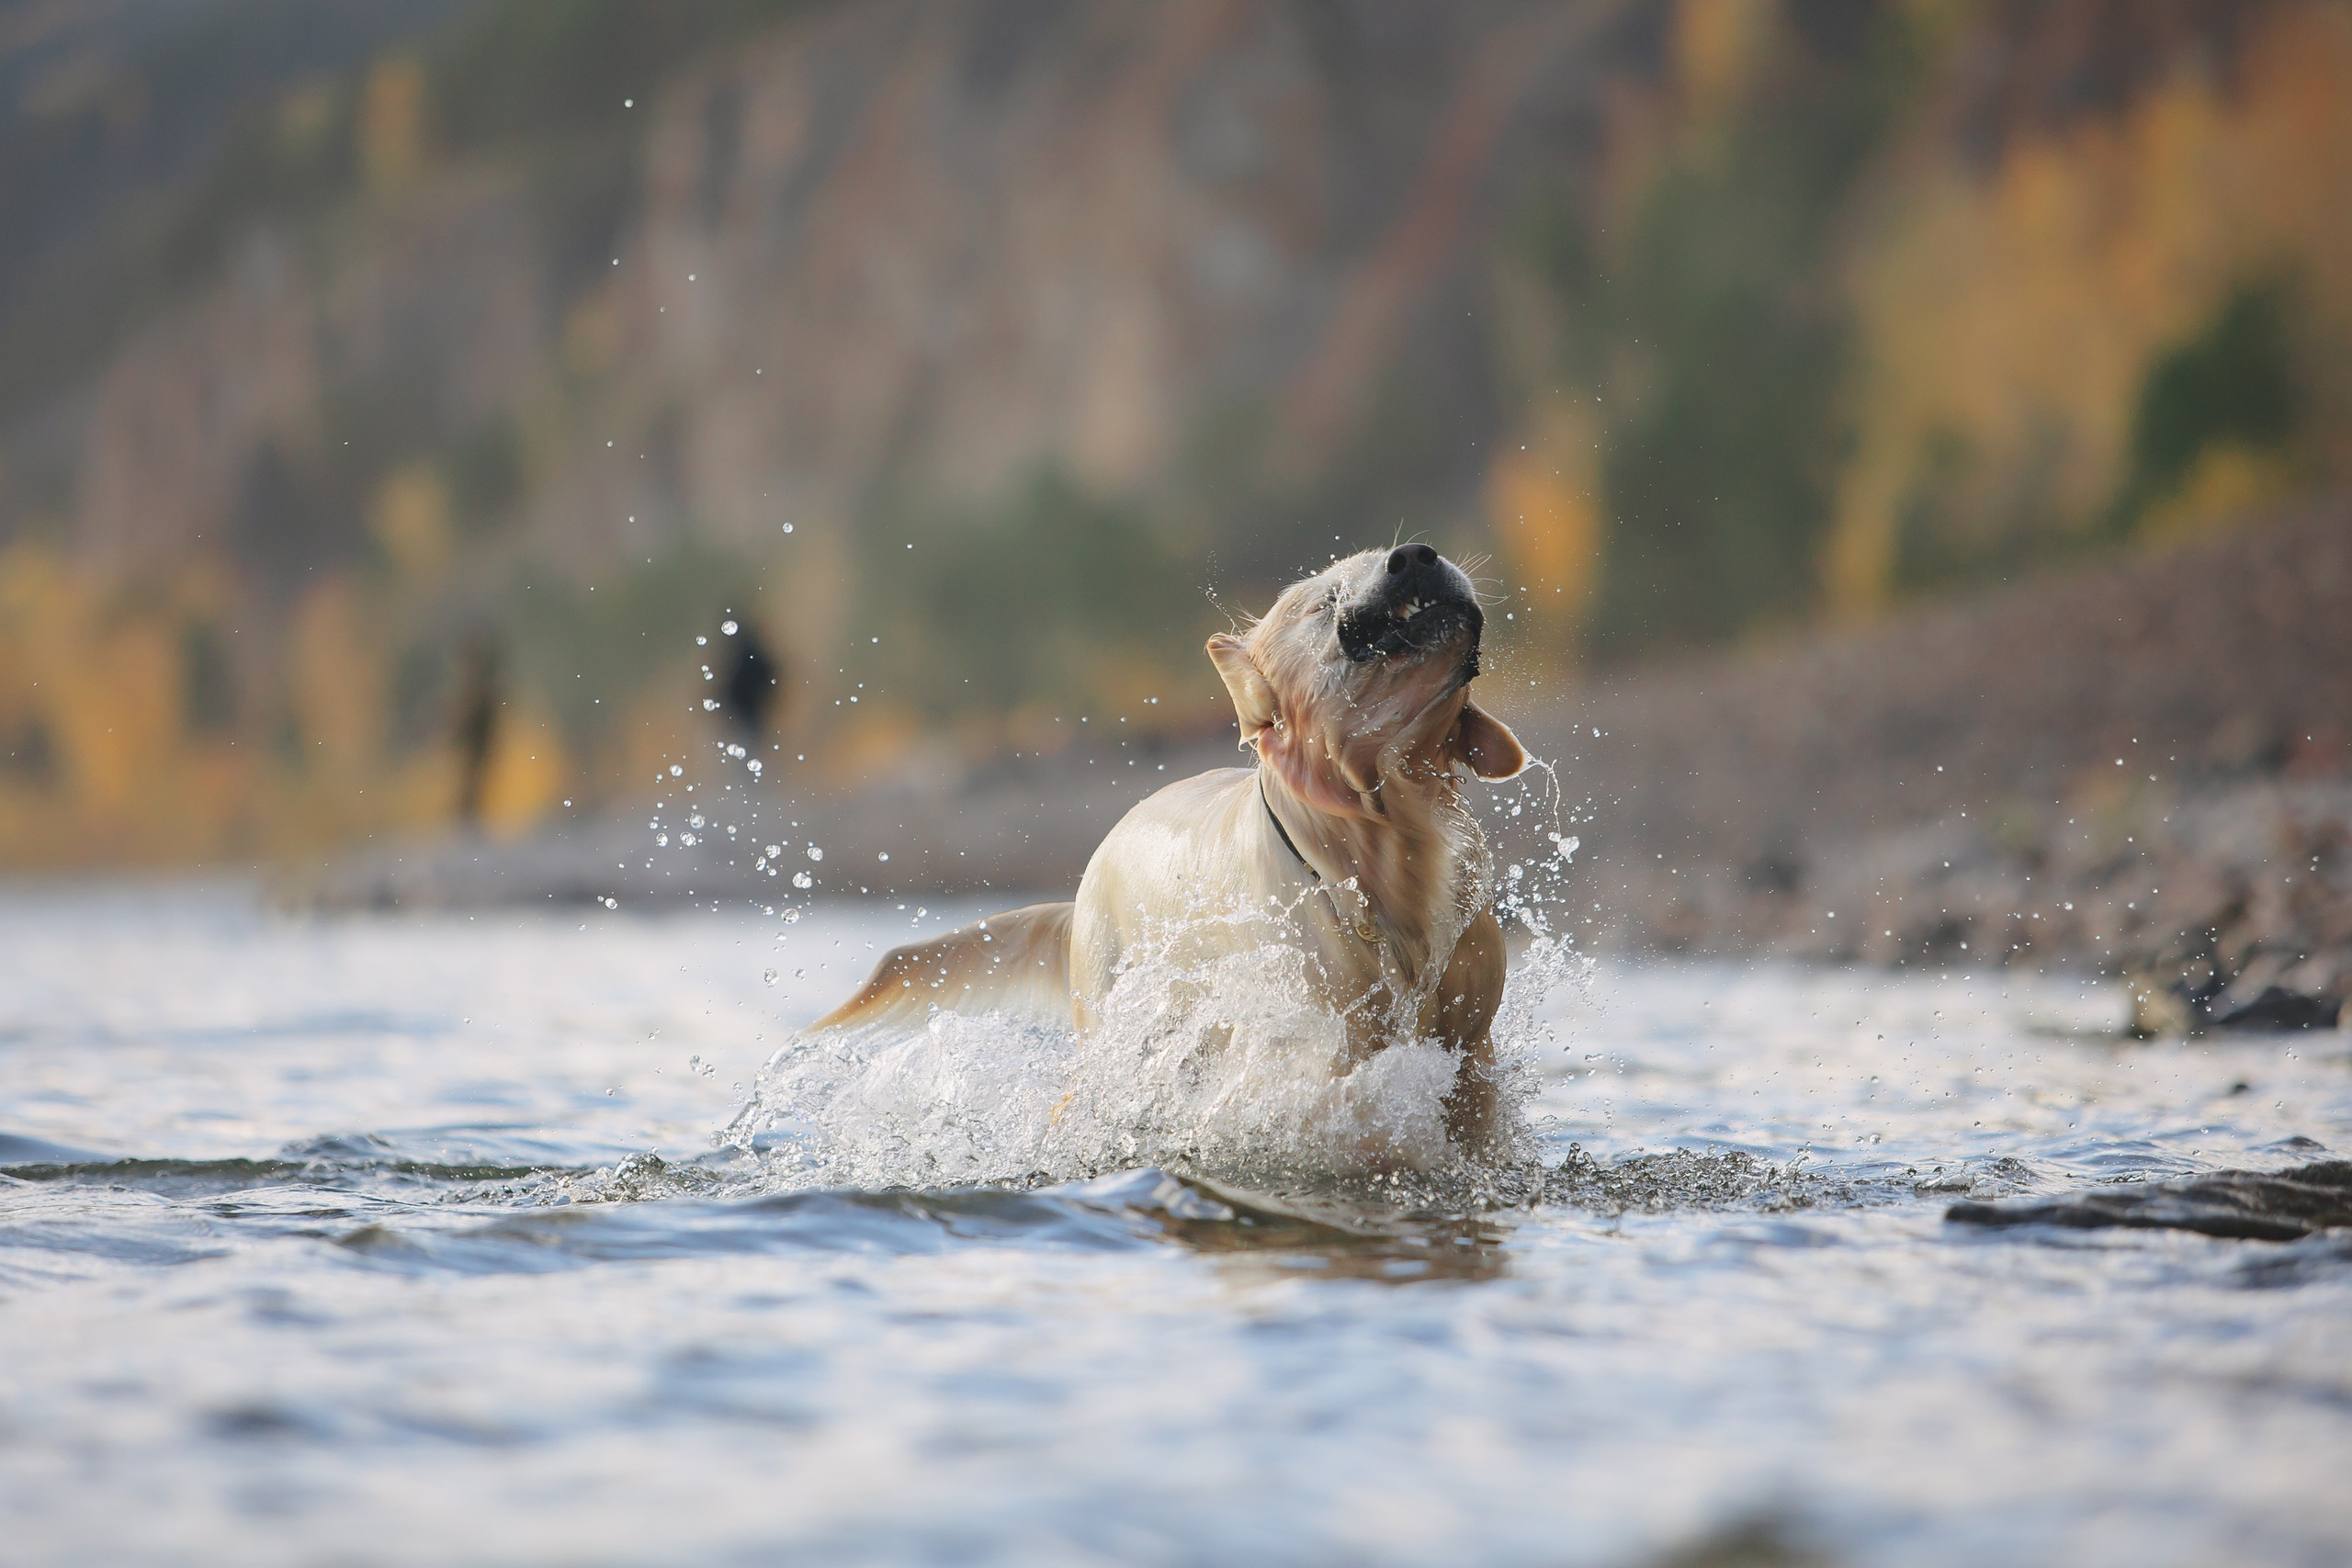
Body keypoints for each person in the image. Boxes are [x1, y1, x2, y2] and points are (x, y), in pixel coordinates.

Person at [453, 634, 500, 828]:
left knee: (472, 785)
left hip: (479, 747)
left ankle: (470, 823)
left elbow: (474, 722)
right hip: (476, 748)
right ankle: (469, 822)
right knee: (470, 785)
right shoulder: (479, 689)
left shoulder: (480, 691)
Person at [720, 622, 783, 740]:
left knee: (745, 737)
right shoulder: (756, 659)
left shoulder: (736, 661)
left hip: (742, 710)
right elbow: (770, 678)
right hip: (750, 710)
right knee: (752, 738)